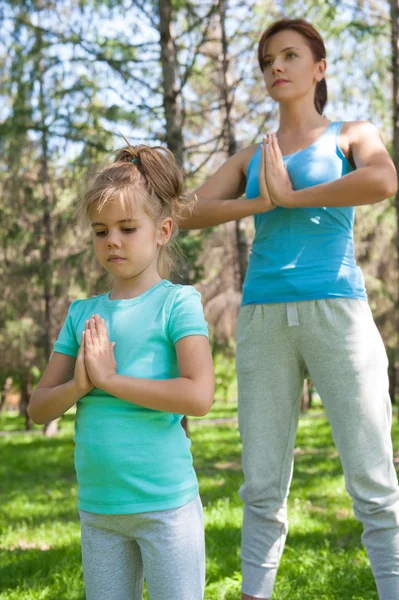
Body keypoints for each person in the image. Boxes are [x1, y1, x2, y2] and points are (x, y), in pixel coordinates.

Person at [180, 17, 399, 600]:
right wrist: (260, 198)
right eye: (267, 60)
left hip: (337, 312)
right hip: (263, 321)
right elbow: (190, 210)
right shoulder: (256, 153)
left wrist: (294, 197)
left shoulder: (352, 134)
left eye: (290, 55)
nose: (276, 66)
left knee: (374, 480)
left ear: (318, 68)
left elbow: (382, 180)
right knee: (262, 484)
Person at [29, 144, 215, 600]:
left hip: (166, 507)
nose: (112, 240)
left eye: (128, 228)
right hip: (100, 510)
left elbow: (199, 396)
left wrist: (110, 381)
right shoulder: (81, 314)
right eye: (100, 231)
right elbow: (37, 408)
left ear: (162, 230)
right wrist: (80, 383)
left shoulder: (177, 302)